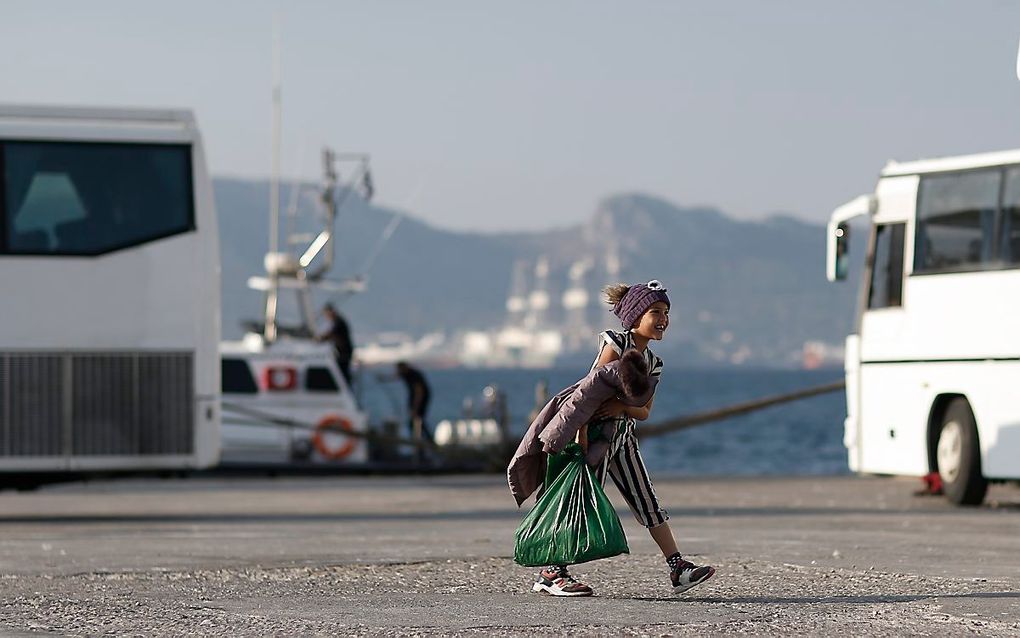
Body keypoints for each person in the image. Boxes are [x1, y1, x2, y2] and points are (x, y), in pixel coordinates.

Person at [524, 280, 715, 597]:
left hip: (623, 438)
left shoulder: (654, 364)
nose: (663, 318)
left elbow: (644, 412)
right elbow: (588, 392)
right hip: (592, 436)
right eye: (655, 311)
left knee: (648, 502)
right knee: (579, 503)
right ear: (635, 315)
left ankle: (678, 568)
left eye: (666, 312)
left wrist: (622, 406)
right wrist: (581, 436)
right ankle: (551, 573)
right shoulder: (616, 343)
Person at [395, 361, 434, 446]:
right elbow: (396, 377)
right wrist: (383, 378)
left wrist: (415, 408)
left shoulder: (413, 375)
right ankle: (423, 445)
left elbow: (419, 392)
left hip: (421, 400)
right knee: (416, 423)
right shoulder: (405, 374)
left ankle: (426, 444)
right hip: (416, 400)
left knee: (416, 422)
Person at [318, 303, 354, 387]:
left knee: (343, 372)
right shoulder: (337, 321)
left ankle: (345, 388)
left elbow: (331, 334)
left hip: (344, 352)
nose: (326, 316)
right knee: (342, 372)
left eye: (327, 314)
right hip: (342, 351)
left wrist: (320, 339)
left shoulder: (338, 322)